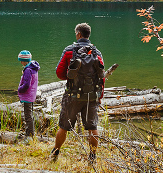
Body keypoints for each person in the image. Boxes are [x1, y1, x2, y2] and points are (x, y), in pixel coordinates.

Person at [49, 22, 104, 164]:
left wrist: (71, 77)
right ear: (88, 35)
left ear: (79, 34)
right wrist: (100, 96)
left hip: (72, 96)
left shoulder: (69, 50)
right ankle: (92, 157)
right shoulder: (97, 53)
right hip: (91, 97)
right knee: (92, 128)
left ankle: (55, 153)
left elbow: (59, 73)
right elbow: (101, 77)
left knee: (64, 127)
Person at [16, 49, 40, 140]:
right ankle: (30, 133)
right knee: (30, 114)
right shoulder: (33, 68)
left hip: (27, 95)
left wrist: (19, 89)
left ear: (24, 61)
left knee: (28, 116)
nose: (20, 62)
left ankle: (29, 136)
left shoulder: (28, 70)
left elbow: (26, 85)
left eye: (21, 61)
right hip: (31, 94)